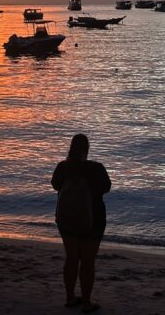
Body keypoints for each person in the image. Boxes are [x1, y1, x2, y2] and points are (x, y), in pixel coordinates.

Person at [51, 133, 111, 314]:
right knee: (87, 261)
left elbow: (55, 185)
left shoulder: (62, 167)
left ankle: (70, 298)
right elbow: (106, 187)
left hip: (67, 219)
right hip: (93, 221)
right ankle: (86, 302)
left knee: (71, 258)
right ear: (87, 149)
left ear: (70, 148)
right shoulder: (96, 168)